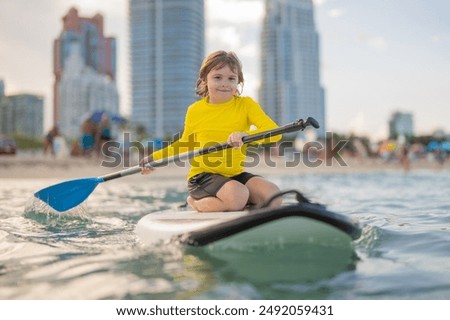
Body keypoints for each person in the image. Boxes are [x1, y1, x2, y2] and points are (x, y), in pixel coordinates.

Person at [141, 50, 282, 212]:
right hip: (202, 177)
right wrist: (154, 158)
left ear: (238, 82)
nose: (224, 83)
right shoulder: (195, 110)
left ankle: (234, 205)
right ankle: (195, 202)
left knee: (273, 196)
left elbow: (275, 133)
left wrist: (247, 136)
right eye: (217, 77)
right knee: (238, 195)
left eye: (231, 78)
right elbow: (186, 144)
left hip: (233, 175)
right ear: (204, 80)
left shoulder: (246, 105)